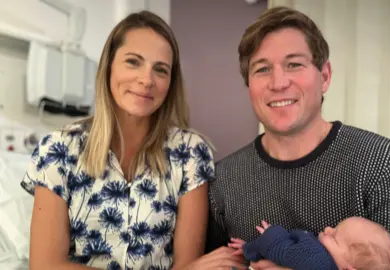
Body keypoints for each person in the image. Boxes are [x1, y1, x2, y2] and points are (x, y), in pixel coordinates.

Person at [206, 6, 390, 270]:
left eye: (294, 64)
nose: (278, 82)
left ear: (324, 76)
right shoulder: (224, 180)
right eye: (262, 69)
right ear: (249, 84)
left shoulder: (378, 161)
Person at [20, 10, 245, 270]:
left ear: (170, 83)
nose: (146, 80)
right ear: (108, 67)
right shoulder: (59, 149)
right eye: (133, 62)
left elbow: (186, 266)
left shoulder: (190, 153)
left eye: (160, 70)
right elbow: (45, 265)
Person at [229, 217, 390, 270]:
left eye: (334, 237)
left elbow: (280, 249)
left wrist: (269, 234)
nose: (327, 228)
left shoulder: (316, 260)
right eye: (335, 227)